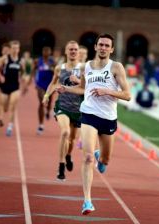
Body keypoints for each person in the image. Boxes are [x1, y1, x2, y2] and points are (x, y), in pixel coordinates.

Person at [57, 33, 131, 215]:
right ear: (96, 47)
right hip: (89, 113)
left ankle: (101, 157)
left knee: (104, 160)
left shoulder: (116, 67)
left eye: (107, 46)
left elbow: (127, 95)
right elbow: (83, 88)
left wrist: (107, 91)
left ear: (112, 49)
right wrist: (66, 89)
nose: (104, 48)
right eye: (101, 45)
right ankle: (87, 201)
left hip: (108, 118)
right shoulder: (88, 67)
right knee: (88, 157)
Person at [42, 40, 83, 181]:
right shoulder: (59, 68)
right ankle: (61, 166)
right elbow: (53, 83)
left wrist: (77, 81)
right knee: (65, 132)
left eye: (75, 49)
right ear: (66, 51)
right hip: (62, 106)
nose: (73, 51)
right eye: (70, 49)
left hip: (78, 109)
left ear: (78, 52)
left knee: (71, 139)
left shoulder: (84, 68)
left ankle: (68, 156)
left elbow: (88, 87)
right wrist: (47, 96)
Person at [0, 40, 25, 136]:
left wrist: (22, 80)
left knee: (12, 106)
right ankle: (2, 117)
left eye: (17, 48)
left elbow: (23, 72)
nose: (15, 50)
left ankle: (10, 126)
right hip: (5, 85)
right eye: (13, 48)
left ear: (19, 49)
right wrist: (0, 77)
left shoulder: (21, 60)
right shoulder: (5, 58)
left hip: (15, 86)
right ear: (10, 49)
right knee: (4, 107)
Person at [34, 46, 55, 134]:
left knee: (49, 102)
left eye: (48, 51)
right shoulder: (38, 61)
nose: (46, 53)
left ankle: (48, 110)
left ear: (50, 52)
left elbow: (56, 73)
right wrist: (34, 81)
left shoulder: (52, 62)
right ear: (42, 52)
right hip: (40, 85)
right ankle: (41, 125)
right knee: (42, 102)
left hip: (49, 85)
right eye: (44, 51)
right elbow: (33, 71)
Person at [0, 42, 11, 127]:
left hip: (9, 84)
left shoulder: (12, 60)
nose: (5, 52)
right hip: (0, 84)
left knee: (6, 108)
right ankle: (0, 119)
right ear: (2, 51)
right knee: (0, 102)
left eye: (7, 51)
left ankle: (4, 111)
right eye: (4, 51)